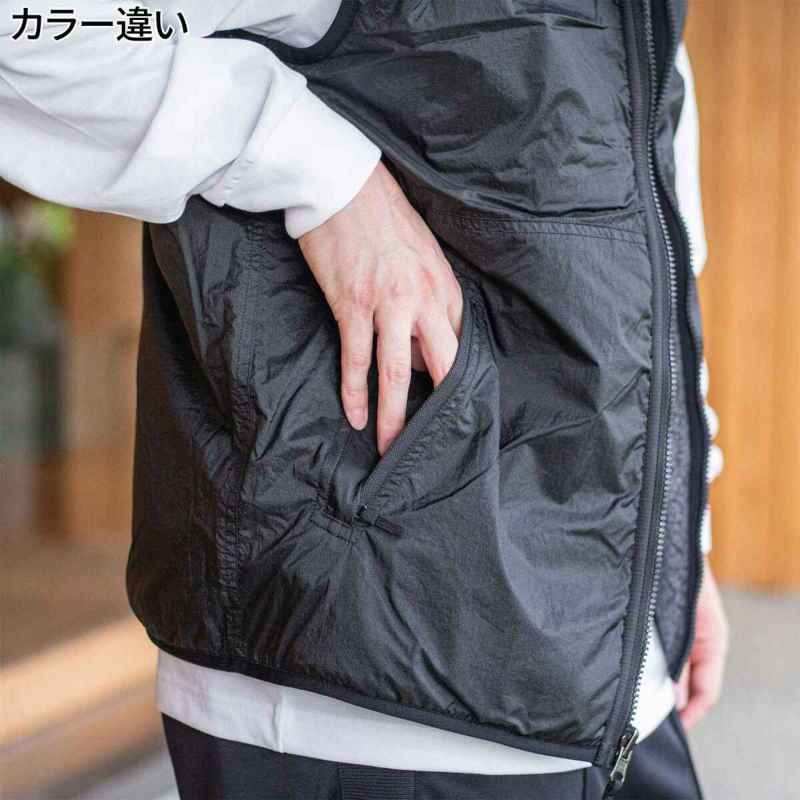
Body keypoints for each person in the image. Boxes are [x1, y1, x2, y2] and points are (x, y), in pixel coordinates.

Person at [0, 1, 728, 798]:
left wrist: (676, 537)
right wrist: (328, 176)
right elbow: (22, 31)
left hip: (619, 671)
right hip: (374, 686)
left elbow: (649, 242)